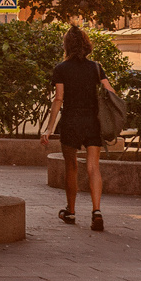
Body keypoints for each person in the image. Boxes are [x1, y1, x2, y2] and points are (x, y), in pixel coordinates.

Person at [41, 25, 118, 232]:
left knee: (71, 166)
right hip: (93, 121)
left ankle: (71, 211)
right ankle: (97, 211)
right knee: (93, 167)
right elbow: (110, 91)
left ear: (67, 46)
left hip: (71, 122)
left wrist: (48, 129)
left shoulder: (61, 69)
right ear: (86, 44)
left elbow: (59, 99)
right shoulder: (95, 67)